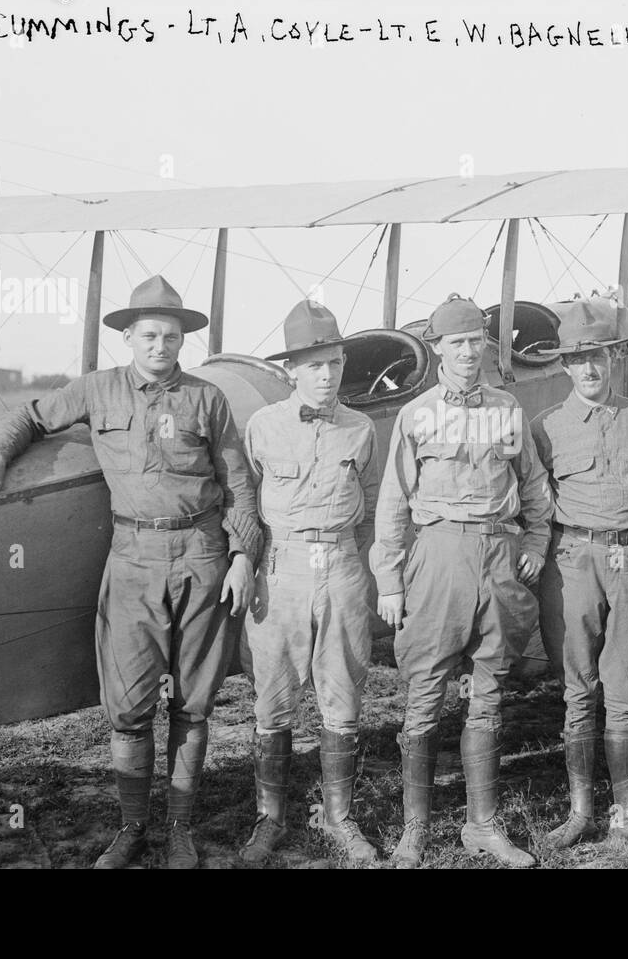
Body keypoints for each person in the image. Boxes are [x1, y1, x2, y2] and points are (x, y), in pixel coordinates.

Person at [0, 275, 259, 869]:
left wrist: (242, 556)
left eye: (170, 336)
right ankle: (131, 829)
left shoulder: (207, 399)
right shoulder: (97, 390)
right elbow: (31, 416)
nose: (160, 346)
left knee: (193, 705)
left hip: (202, 555)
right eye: (148, 335)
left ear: (183, 341)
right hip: (134, 559)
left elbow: (238, 481)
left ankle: (181, 831)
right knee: (130, 704)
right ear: (128, 338)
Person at [372, 293, 553, 868]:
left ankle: (484, 826)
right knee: (425, 686)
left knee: (489, 689)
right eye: (457, 342)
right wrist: (391, 580)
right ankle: (415, 827)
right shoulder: (416, 414)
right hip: (440, 552)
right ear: (438, 348)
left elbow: (534, 488)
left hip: (500, 551)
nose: (469, 351)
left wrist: (536, 542)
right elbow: (393, 502)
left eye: (477, 340)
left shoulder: (507, 408)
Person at [530, 299, 628, 857]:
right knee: (577, 688)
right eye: (577, 359)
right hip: (573, 563)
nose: (589, 369)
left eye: (598, 357)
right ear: (565, 366)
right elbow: (534, 499)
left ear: (614, 359)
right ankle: (580, 812)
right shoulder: (547, 427)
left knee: (625, 688)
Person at [238, 300, 380, 865]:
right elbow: (245, 501)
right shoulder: (263, 427)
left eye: (336, 364)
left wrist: (351, 563)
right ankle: (268, 820)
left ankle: (339, 817)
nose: (327, 376)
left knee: (343, 696)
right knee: (273, 700)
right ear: (292, 368)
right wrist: (252, 563)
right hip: (282, 571)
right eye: (315, 365)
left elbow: (369, 507)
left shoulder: (361, 428)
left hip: (342, 568)